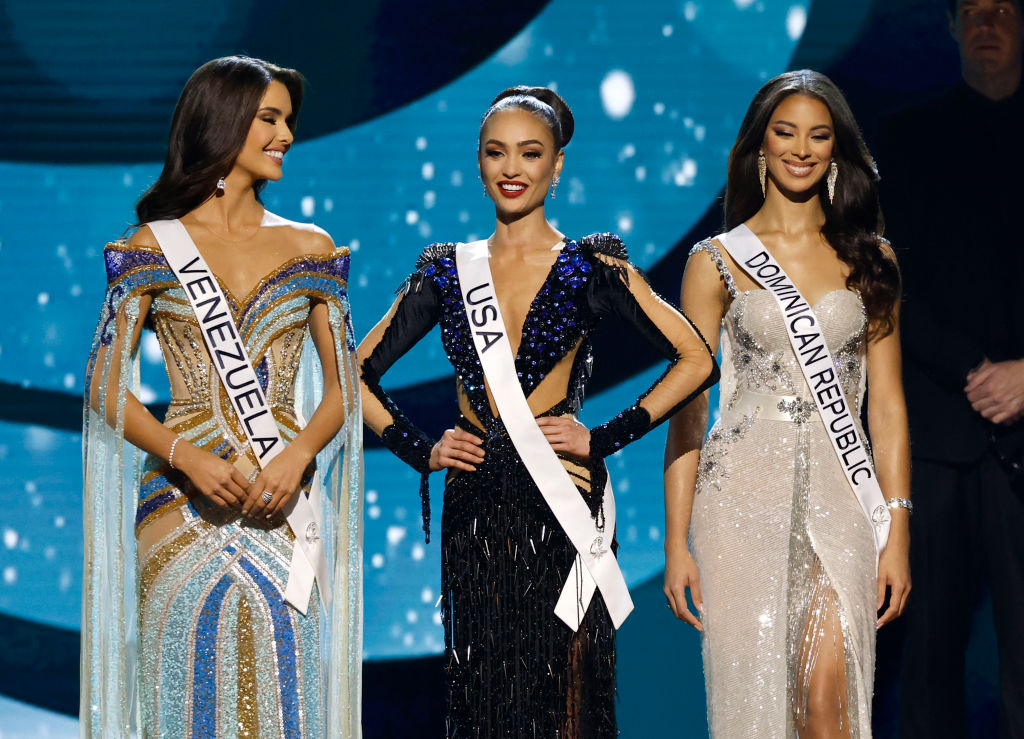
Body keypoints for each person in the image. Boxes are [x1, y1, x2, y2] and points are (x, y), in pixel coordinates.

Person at [357, 85, 718, 737]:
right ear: (478, 162)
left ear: (557, 165)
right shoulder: (448, 271)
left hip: (564, 504)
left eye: (530, 153)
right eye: (496, 153)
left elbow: (696, 358)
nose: (512, 168)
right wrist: (421, 448)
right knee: (489, 697)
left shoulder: (589, 265)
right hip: (478, 513)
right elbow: (348, 372)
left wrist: (607, 435)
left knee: (567, 698)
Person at [81, 56, 363, 738]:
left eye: (288, 122)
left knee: (284, 699)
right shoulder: (152, 245)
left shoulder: (310, 246)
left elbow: (344, 388)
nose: (286, 135)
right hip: (178, 511)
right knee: (182, 699)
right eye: (269, 118)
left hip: (282, 505)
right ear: (223, 121)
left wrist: (297, 455)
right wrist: (186, 456)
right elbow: (103, 385)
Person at [664, 70, 911, 737]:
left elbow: (885, 406)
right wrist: (675, 539)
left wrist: (899, 526)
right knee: (758, 706)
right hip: (740, 498)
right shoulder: (715, 260)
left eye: (819, 135)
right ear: (759, 146)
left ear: (836, 150)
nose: (801, 148)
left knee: (827, 703)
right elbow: (688, 409)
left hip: (844, 498)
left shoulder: (871, 258)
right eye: (786, 132)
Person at [874, 1, 1024, 736]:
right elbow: (889, 283)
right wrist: (976, 368)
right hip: (935, 439)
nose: (987, 23)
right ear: (951, 27)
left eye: (1002, 10)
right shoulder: (908, 136)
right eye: (972, 11)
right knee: (928, 659)